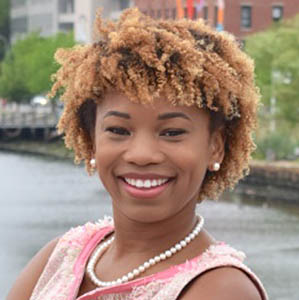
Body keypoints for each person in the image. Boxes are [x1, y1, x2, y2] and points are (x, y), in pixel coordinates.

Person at [7, 8, 268, 300]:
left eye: (172, 132)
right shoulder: (62, 256)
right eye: (118, 130)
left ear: (215, 145)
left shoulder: (221, 289)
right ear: (92, 139)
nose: (142, 155)